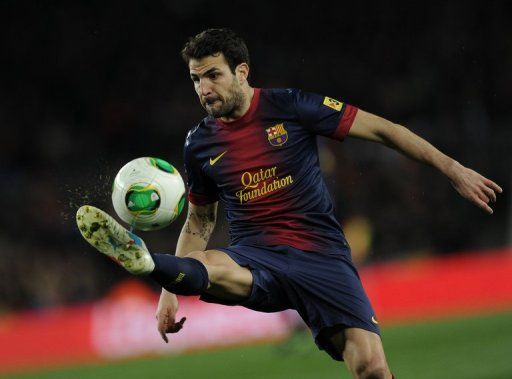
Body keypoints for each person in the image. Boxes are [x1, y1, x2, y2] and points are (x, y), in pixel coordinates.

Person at [76, 28, 502, 379]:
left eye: (212, 75)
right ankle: (151, 265)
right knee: (212, 265)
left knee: (371, 366)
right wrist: (167, 294)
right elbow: (200, 220)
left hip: (321, 256)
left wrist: (453, 169)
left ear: (241, 71)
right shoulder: (199, 143)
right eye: (194, 79)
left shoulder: (292, 106)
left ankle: (159, 266)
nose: (203, 89)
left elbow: (385, 130)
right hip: (255, 255)